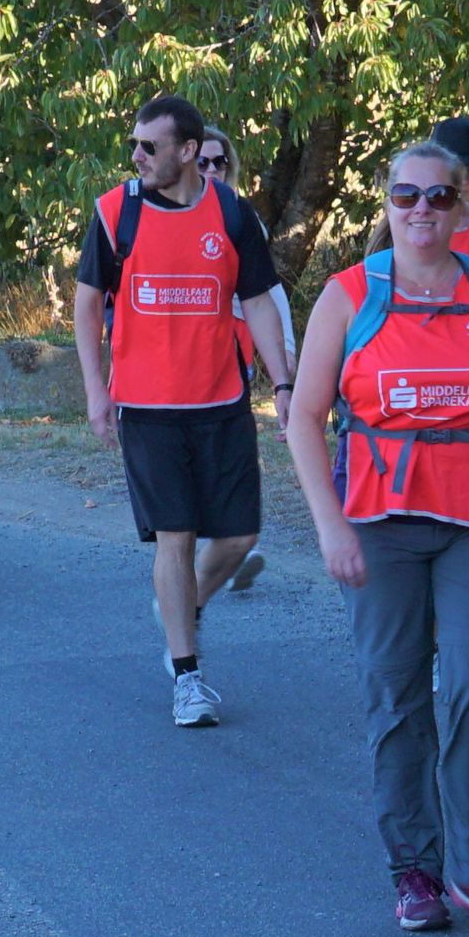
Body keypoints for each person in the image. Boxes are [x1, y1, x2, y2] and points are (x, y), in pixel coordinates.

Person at [282, 140, 469, 937]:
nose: (421, 209)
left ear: (463, 207)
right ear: (386, 204)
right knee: (397, 693)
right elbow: (304, 418)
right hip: (378, 523)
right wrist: (330, 525)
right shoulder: (351, 294)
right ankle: (414, 868)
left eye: (438, 197)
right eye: (405, 195)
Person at [73, 95, 294, 727]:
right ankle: (187, 676)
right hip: (147, 407)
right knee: (176, 536)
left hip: (221, 401)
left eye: (149, 146)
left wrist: (282, 384)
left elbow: (259, 301)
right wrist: (96, 390)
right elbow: (87, 304)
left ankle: (182, 608)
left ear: (189, 150)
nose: (136, 156)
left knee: (241, 537)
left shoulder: (232, 213)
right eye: (134, 145)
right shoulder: (117, 212)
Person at [192, 124, 295, 593]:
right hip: (183, 353)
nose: (213, 169)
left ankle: (231, 546)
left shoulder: (240, 214)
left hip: (234, 348)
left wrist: (285, 358)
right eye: (204, 162)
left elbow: (266, 291)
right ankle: (212, 554)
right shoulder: (159, 212)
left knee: (228, 447)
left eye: (221, 162)